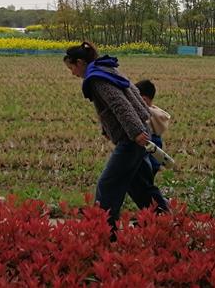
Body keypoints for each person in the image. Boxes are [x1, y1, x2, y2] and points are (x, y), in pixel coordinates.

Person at [63, 41, 169, 232]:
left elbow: (119, 105)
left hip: (131, 139)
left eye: (71, 67)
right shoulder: (107, 68)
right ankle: (164, 220)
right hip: (140, 133)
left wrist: (136, 131)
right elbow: (134, 94)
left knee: (108, 184)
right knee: (139, 185)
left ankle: (105, 231)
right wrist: (133, 126)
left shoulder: (97, 79)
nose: (72, 73)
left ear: (79, 62)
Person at [135, 79, 172, 175]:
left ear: (143, 100)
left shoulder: (147, 115)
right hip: (155, 158)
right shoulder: (158, 114)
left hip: (147, 159)